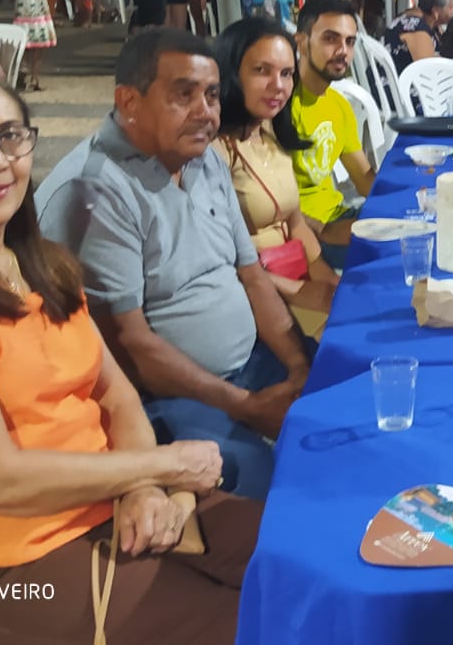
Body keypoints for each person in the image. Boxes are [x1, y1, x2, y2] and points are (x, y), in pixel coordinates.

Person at [0, 67, 259, 643]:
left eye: (10, 136)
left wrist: (140, 487)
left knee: (315, 563)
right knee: (264, 624)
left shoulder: (38, 262)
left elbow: (115, 396)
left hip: (105, 507)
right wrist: (160, 468)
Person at [36, 29, 309, 500]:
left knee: (352, 399)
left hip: (252, 366)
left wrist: (300, 367)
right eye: (184, 95)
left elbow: (250, 275)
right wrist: (247, 406)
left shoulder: (204, 159)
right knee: (260, 482)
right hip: (168, 396)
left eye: (212, 95)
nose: (205, 112)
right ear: (129, 102)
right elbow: (128, 344)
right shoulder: (96, 191)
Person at [213, 18, 339, 337]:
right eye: (262, 71)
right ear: (231, 73)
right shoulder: (215, 153)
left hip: (292, 278)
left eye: (286, 73)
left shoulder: (268, 134)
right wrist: (302, 292)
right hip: (255, 299)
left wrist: (328, 281)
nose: (278, 85)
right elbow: (218, 261)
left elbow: (296, 224)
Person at [287, 0, 375, 264]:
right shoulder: (280, 105)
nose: (342, 51)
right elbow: (267, 204)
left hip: (340, 216)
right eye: (330, 39)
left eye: (350, 42)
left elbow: (364, 180)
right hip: (304, 234)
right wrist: (322, 230)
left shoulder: (338, 105)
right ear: (301, 42)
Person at [5, 0, 58, 90]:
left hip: (22, 19)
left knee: (24, 48)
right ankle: (34, 77)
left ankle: (22, 71)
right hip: (39, 18)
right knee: (38, 49)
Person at [384, 0, 453, 75]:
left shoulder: (414, 17)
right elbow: (428, 74)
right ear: (435, 12)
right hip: (396, 82)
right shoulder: (417, 30)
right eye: (451, 6)